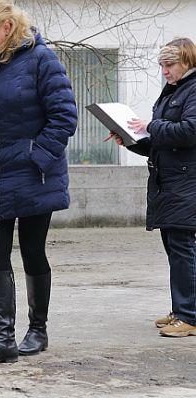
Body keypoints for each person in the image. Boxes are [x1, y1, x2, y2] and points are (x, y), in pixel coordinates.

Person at [0, 0, 77, 366]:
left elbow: (64, 116)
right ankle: (3, 339)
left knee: (32, 251)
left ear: (7, 27)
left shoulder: (41, 59)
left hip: (33, 175)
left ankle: (37, 330)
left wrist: (37, 157)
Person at [107, 37, 196, 337]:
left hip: (186, 184)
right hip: (169, 183)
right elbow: (161, 142)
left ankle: (189, 316)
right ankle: (182, 310)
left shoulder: (193, 89)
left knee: (183, 249)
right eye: (162, 65)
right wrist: (129, 141)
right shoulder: (173, 91)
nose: (165, 71)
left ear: (187, 62)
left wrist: (150, 126)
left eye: (169, 65)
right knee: (176, 249)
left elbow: (190, 131)